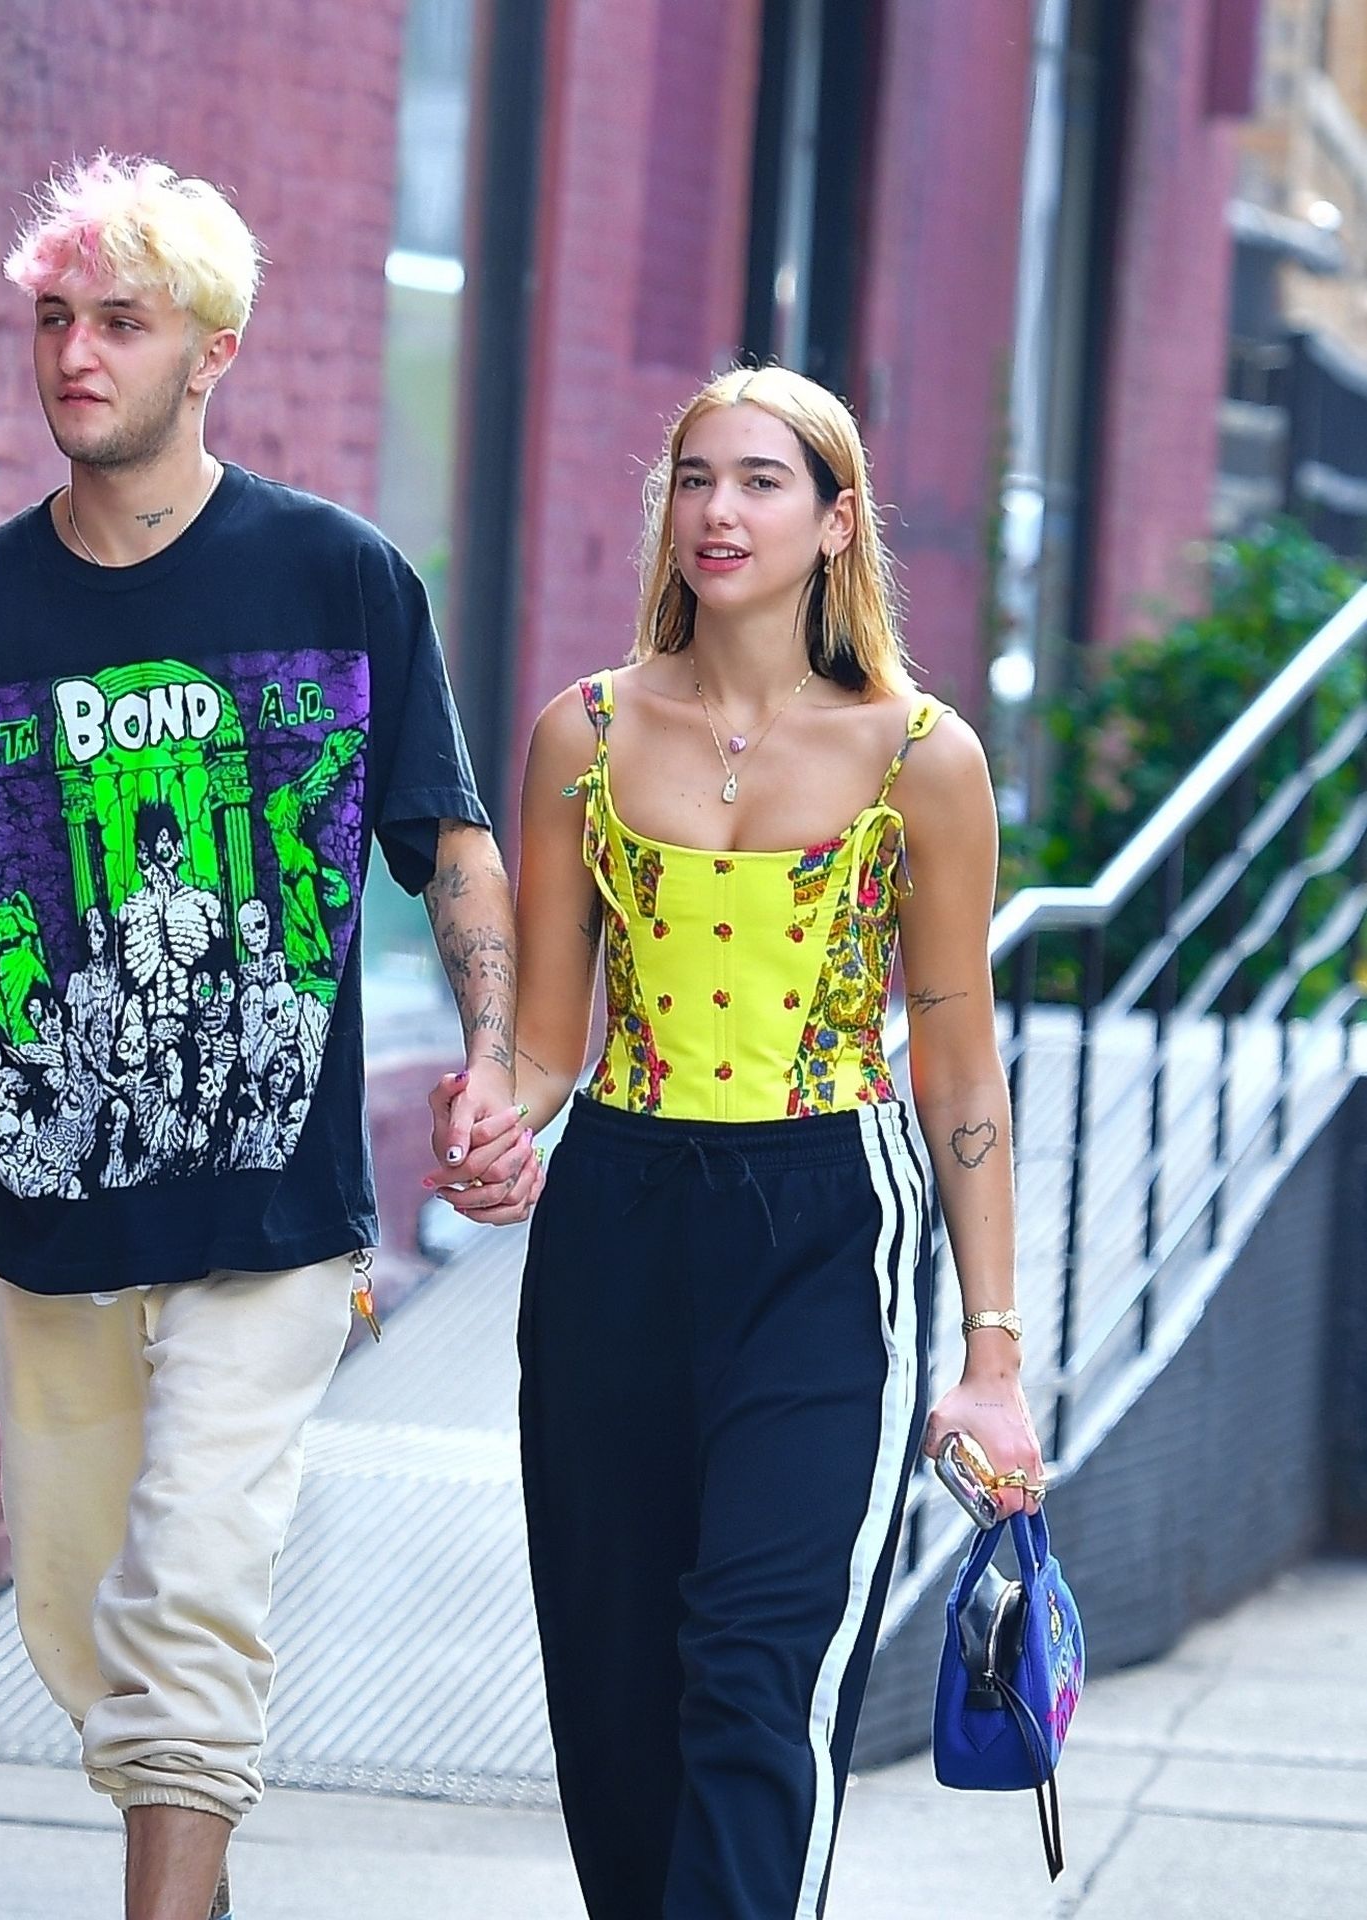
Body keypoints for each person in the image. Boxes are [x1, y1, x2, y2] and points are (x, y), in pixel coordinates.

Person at [0, 153, 532, 1920]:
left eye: (119, 323)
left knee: (192, 1584)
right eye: (56, 319)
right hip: (55, 1205)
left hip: (267, 1209)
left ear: (211, 351)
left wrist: (493, 1060)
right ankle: (190, 1873)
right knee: (84, 1625)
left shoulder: (338, 579)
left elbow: (447, 841)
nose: (76, 354)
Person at [435, 365, 1043, 1918]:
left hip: (827, 1223)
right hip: (616, 1217)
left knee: (758, 1667)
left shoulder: (921, 755)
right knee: (614, 1684)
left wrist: (990, 1354)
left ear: (836, 522)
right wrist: (495, 1112)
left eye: (762, 481)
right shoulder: (578, 734)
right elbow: (550, 1039)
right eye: (694, 479)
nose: (718, 510)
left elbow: (955, 1054)